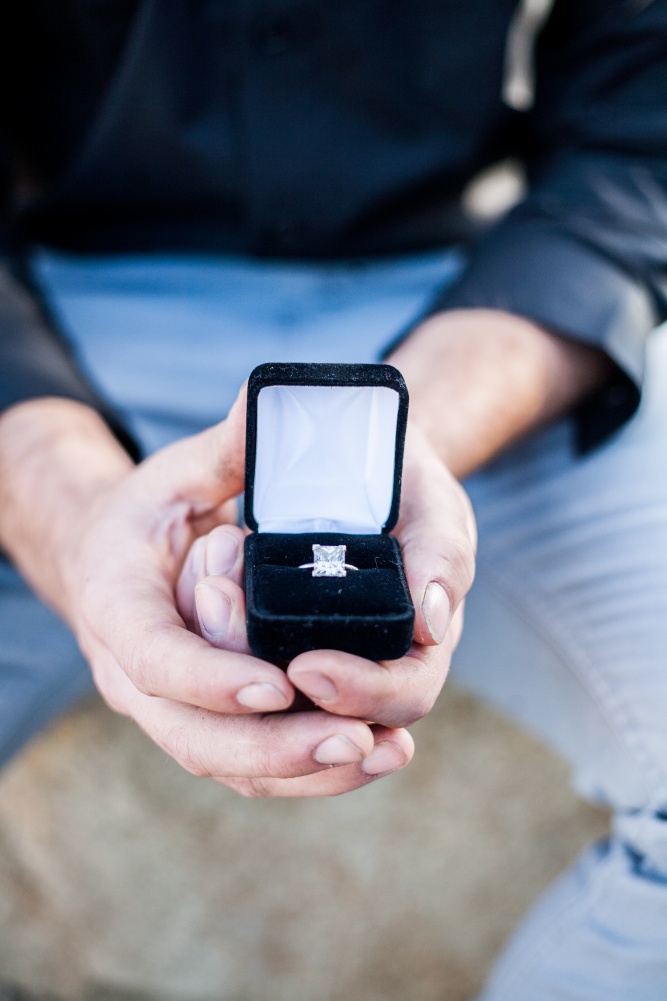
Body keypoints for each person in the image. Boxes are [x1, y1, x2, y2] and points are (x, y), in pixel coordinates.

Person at [0, 1, 666, 997]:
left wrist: (411, 434)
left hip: (472, 311)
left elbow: (641, 127)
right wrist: (60, 499)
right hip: (46, 326)